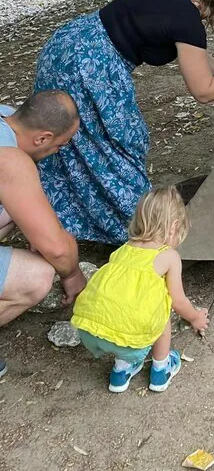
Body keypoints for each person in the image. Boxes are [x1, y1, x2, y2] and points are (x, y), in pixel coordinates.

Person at [34, 0, 214, 244]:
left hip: (67, 45)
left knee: (68, 139)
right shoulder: (189, 23)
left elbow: (194, 55)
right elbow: (204, 92)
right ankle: (138, 229)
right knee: (118, 140)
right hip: (90, 67)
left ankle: (52, 215)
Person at [72, 186, 207, 394]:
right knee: (161, 311)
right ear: (174, 227)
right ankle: (160, 370)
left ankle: (120, 373)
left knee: (123, 307)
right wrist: (196, 318)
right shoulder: (168, 256)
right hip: (130, 341)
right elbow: (178, 301)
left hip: (91, 332)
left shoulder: (123, 249)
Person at [0, 92, 86, 378]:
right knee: (36, 278)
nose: (60, 150)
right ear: (42, 138)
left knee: (16, 210)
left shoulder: (6, 116)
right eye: (60, 144)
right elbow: (58, 250)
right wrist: (72, 274)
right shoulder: (10, 159)